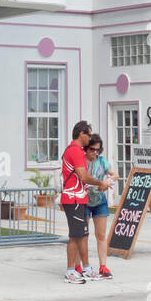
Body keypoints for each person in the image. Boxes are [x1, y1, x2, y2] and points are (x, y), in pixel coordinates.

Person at [60, 120, 108, 284]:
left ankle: (86, 268)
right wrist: (100, 183)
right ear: (81, 134)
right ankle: (70, 271)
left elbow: (81, 179)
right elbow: (84, 176)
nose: (90, 138)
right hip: (73, 198)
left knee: (83, 235)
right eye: (88, 134)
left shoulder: (75, 150)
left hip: (79, 197)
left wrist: (95, 186)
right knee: (75, 236)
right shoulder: (76, 152)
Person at [84, 134, 119, 280]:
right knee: (82, 236)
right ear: (86, 148)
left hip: (99, 201)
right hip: (84, 201)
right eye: (92, 149)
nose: (95, 152)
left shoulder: (102, 161)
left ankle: (103, 266)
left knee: (101, 235)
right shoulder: (81, 161)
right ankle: (82, 266)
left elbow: (115, 175)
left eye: (98, 150)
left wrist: (109, 180)